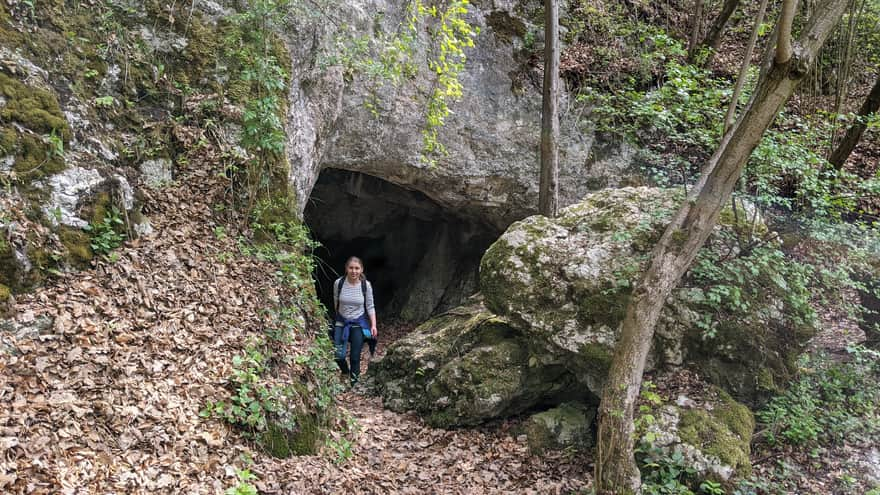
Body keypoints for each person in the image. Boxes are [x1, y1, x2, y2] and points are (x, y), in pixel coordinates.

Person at [332, 256, 378, 386]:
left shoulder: (365, 285)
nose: (354, 271)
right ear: (346, 269)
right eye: (351, 268)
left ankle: (354, 384)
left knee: (354, 357)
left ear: (361, 269)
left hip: (358, 323)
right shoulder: (339, 283)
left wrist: (373, 325)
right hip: (342, 322)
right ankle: (345, 372)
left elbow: (370, 306)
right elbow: (336, 302)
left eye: (357, 268)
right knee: (339, 356)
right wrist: (337, 319)